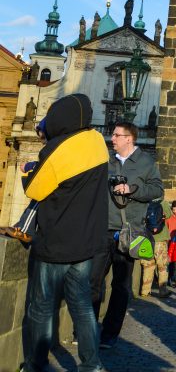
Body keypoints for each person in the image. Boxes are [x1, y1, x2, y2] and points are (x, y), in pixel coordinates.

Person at [21, 93, 109, 372]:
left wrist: (27, 170)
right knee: (82, 307)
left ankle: (36, 364)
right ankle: (91, 365)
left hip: (55, 244)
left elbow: (35, 188)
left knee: (41, 307)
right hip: (85, 245)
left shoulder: (58, 149)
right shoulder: (97, 143)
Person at [90, 121, 163, 348]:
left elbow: (158, 190)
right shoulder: (107, 161)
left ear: (129, 138)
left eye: (116, 135)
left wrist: (133, 189)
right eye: (113, 135)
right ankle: (89, 328)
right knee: (93, 281)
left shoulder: (145, 162)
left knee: (121, 286)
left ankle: (110, 334)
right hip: (103, 229)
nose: (112, 138)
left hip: (128, 232)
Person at [139, 198, 172, 298]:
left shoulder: (144, 201)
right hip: (160, 240)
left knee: (148, 266)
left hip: (147, 239)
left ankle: (145, 291)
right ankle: (163, 291)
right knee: (162, 267)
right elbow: (169, 215)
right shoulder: (163, 202)